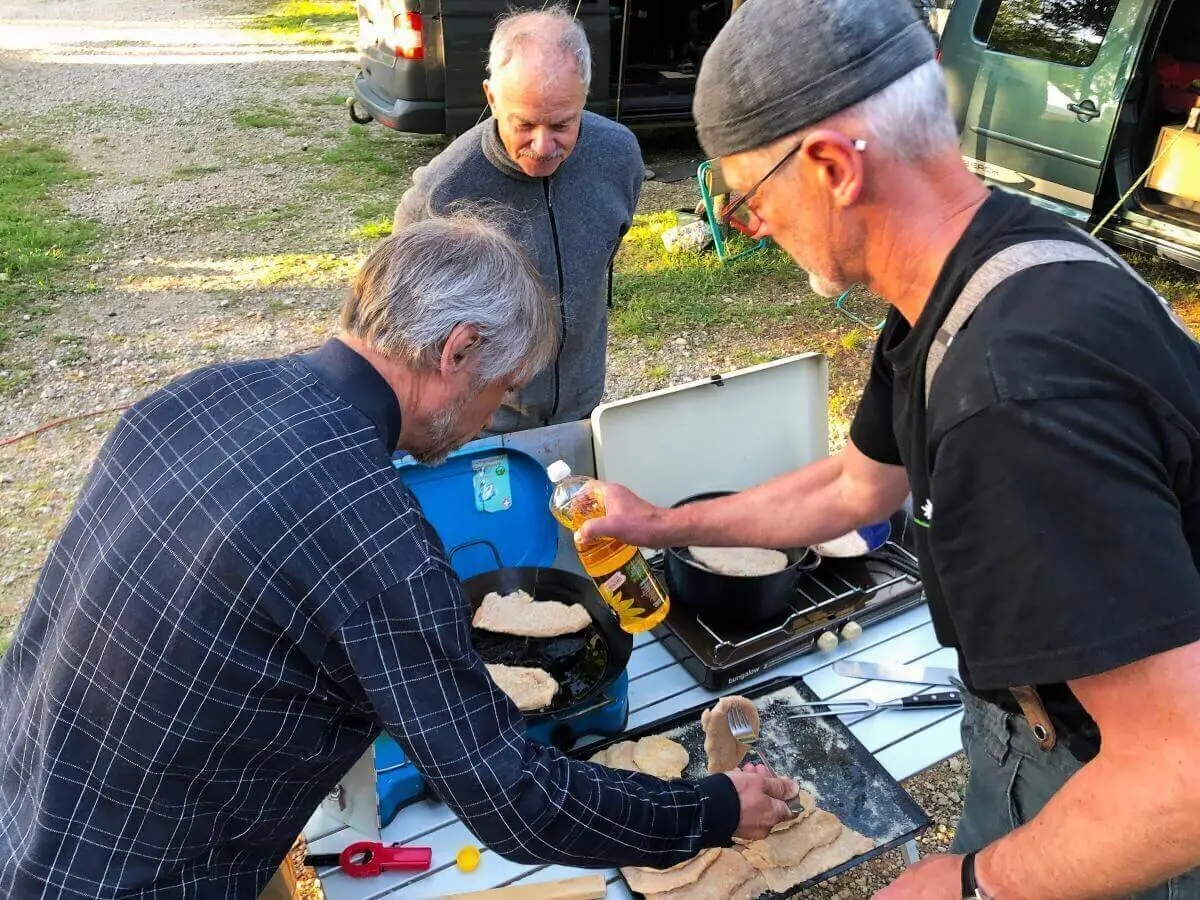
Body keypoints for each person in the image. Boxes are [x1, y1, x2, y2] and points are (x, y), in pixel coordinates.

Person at [577, 0, 1200, 897]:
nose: (753, 227)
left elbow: (1175, 779)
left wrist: (973, 885)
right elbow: (853, 488)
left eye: (750, 199)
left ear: (829, 166)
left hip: (1122, 802)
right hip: (1034, 734)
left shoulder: (1012, 390)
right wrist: (661, 523)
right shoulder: (982, 268)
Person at [0, 215, 795, 898]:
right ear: (459, 349)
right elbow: (512, 798)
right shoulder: (376, 537)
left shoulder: (198, 393)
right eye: (502, 390)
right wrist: (714, 810)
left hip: (25, 800)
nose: (492, 422)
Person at [392, 5, 644, 434]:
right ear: (491, 97)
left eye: (562, 124)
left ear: (584, 96)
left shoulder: (619, 156)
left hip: (584, 405)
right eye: (524, 124)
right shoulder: (443, 193)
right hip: (484, 423)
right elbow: (403, 329)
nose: (543, 146)